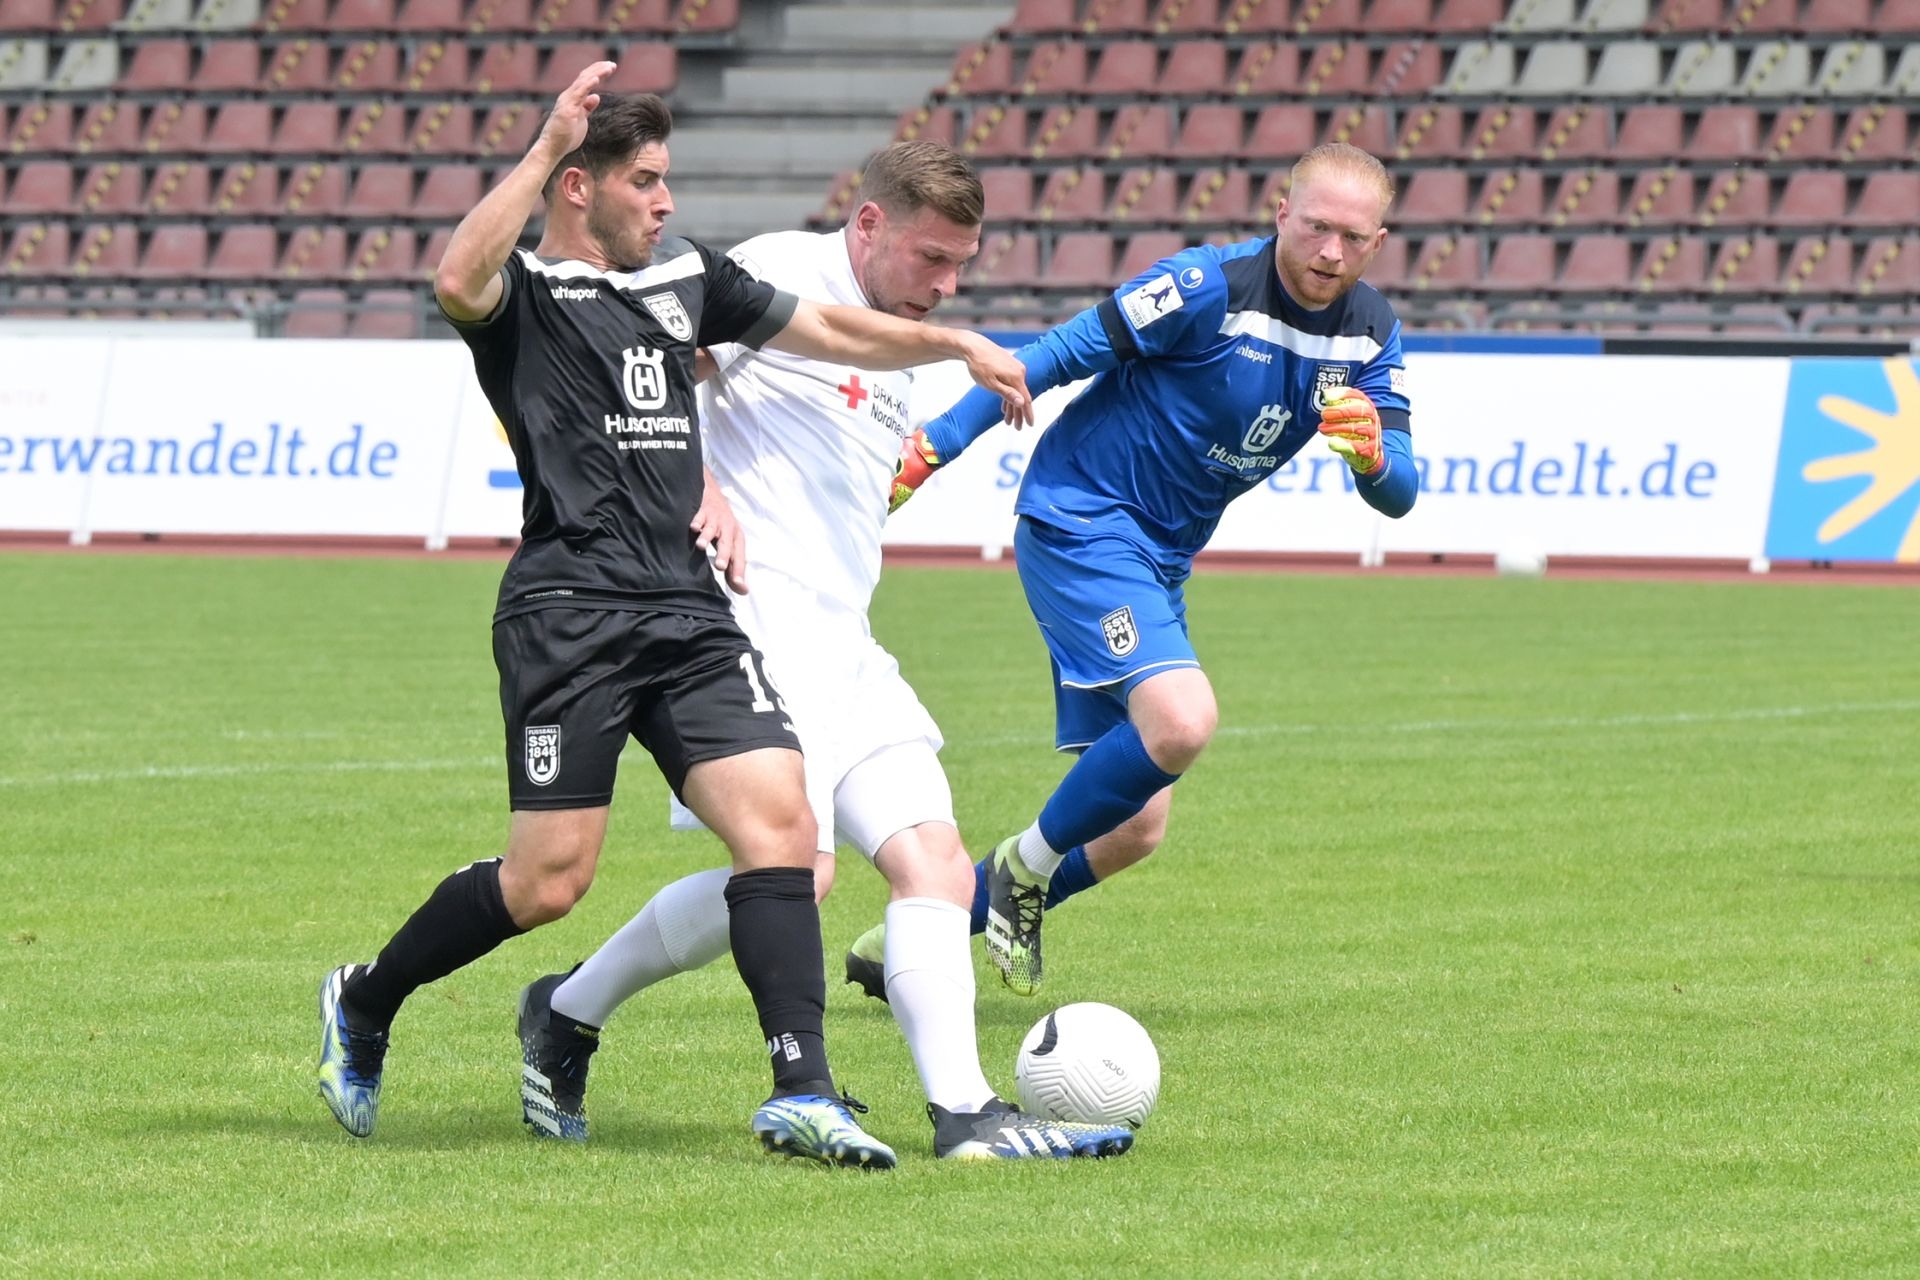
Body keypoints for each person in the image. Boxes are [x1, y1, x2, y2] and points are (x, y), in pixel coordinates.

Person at [315, 66, 1032, 1170]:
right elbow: (457, 275)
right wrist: (546, 141)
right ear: (578, 187)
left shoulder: (691, 278)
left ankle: (806, 1091)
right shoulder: (527, 299)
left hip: (693, 615)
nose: (665, 200)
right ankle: (367, 996)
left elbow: (827, 332)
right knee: (548, 880)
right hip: (570, 613)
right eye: (644, 181)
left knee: (782, 833)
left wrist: (959, 347)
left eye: (665, 179)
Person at [512, 141, 1134, 1161]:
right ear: (869, 224)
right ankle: (569, 1009)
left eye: (961, 265)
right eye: (932, 257)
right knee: (796, 874)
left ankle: (968, 1114)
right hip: (751, 623)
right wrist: (699, 486)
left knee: (936, 862)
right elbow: (642, 372)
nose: (946, 283)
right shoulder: (782, 271)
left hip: (846, 638)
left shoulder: (902, 340)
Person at [881, 141, 1418, 998]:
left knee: (1134, 826)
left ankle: (911, 939)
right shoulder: (1205, 287)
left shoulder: (1371, 333)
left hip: (1159, 561)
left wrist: (1374, 459)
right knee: (1182, 720)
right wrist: (936, 445)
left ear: (1378, 242)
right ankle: (1023, 870)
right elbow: (1056, 354)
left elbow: (1401, 494)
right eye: (1316, 227)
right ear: (1281, 212)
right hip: (1082, 521)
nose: (1330, 252)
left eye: (1353, 238)